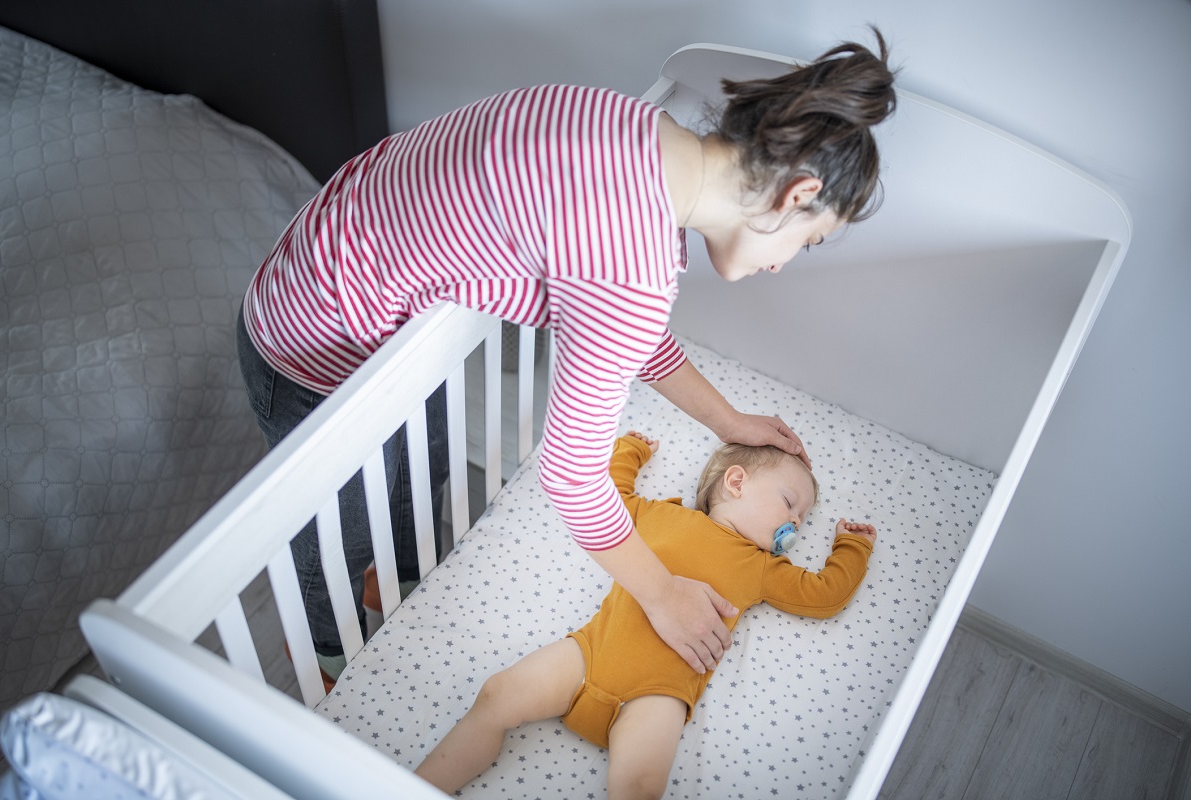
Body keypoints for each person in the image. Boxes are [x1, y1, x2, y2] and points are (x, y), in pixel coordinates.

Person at [235, 30, 896, 681]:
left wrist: (725, 422)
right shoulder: (633, 268)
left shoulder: (633, 127)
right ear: (798, 196)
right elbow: (573, 477)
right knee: (339, 531)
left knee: (424, 461)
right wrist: (663, 595)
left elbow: (620, 328)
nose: (782, 265)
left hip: (322, 254)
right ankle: (322, 648)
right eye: (807, 242)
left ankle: (396, 577)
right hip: (311, 350)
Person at [414, 431, 878, 797]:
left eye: (802, 519)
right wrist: (630, 450)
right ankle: (415, 788)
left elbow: (824, 595)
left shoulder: (764, 568)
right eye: (790, 504)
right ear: (736, 483)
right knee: (497, 694)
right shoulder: (665, 515)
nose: (796, 524)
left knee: (640, 787)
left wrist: (851, 547)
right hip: (587, 657)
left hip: (658, 695)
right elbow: (610, 498)